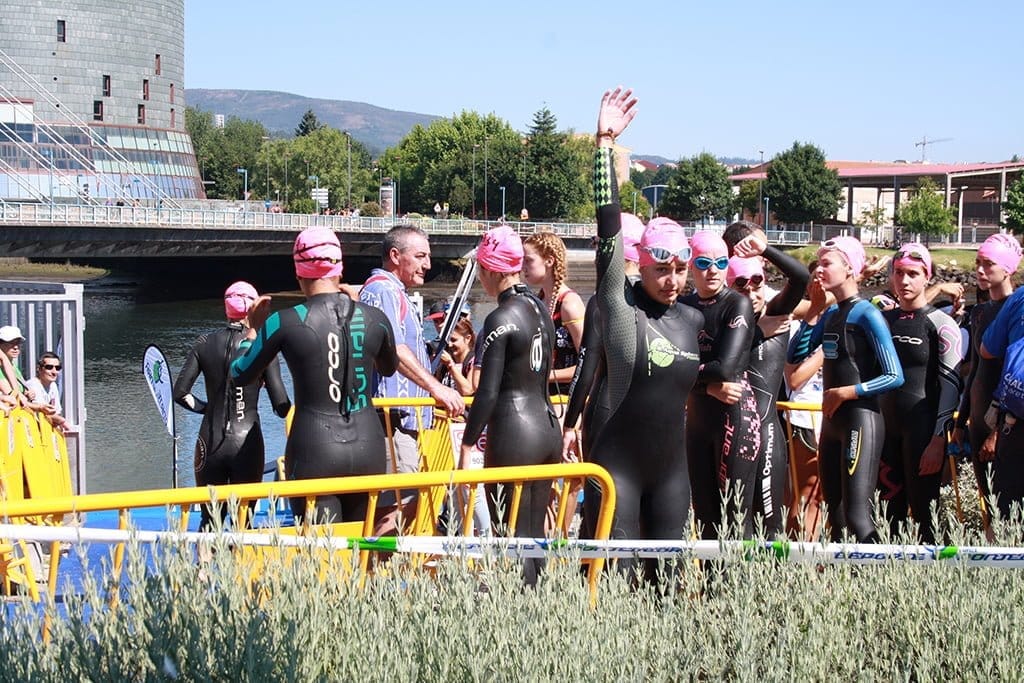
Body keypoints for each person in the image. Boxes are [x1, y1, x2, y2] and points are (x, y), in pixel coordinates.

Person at [585, 87, 703, 584]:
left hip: (672, 472)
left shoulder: (693, 320)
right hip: (619, 467)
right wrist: (604, 144)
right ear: (642, 264)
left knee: (671, 588)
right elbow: (608, 227)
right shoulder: (620, 305)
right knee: (617, 587)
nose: (672, 279)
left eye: (681, 268)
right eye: (661, 267)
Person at [231, 228, 399, 523]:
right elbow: (388, 368)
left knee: (321, 556)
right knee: (360, 553)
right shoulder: (376, 318)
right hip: (368, 446)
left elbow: (240, 374)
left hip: (314, 448)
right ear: (340, 267)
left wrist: (253, 330)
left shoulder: (282, 321)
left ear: (298, 273)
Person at [460, 225, 561, 586]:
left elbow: (487, 392)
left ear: (489, 271)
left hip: (515, 432)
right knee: (535, 535)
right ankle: (540, 612)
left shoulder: (498, 319)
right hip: (548, 428)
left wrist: (468, 442)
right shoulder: (541, 309)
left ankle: (518, 616)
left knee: (509, 533)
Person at [788, 236, 904, 542]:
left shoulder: (867, 314)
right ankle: (843, 585)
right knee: (834, 514)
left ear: (850, 268)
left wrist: (847, 392)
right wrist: (813, 310)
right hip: (833, 424)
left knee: (857, 516)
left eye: (827, 263)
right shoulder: (830, 313)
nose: (818, 271)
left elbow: (894, 375)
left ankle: (876, 583)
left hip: (860, 419)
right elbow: (795, 357)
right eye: (817, 264)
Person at [174, 281, 291, 529]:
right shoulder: (261, 347)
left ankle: (201, 568)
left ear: (226, 309)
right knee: (244, 520)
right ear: (254, 310)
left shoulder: (204, 342)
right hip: (246, 441)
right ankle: (242, 566)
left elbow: (180, 393)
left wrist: (208, 408)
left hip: (209, 440)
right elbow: (281, 405)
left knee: (209, 520)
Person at [360, 225, 465, 474]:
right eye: (420, 256)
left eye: (427, 257)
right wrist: (435, 387)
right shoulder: (383, 290)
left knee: (407, 499)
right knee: (397, 502)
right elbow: (393, 348)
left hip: (405, 418)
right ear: (396, 256)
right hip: (391, 418)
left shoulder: (396, 292)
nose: (427, 264)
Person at [877, 244, 962, 543]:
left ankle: (939, 580)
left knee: (926, 514)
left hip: (923, 431)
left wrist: (939, 440)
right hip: (885, 431)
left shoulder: (941, 323)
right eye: (899, 273)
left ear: (927, 277)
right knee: (887, 516)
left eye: (913, 274)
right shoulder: (883, 320)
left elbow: (951, 386)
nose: (905, 281)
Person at [726, 232, 809, 536]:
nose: (751, 291)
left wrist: (766, 249)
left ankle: (770, 581)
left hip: (766, 431)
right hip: (729, 435)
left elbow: (800, 278)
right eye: (740, 283)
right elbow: (720, 361)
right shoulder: (721, 320)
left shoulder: (777, 311)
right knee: (733, 526)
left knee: (770, 527)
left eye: (757, 282)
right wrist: (758, 331)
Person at [682, 231, 761, 540]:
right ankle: (715, 589)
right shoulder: (684, 306)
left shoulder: (736, 304)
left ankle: (740, 588)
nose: (712, 270)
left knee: (736, 517)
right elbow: (661, 365)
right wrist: (704, 387)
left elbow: (725, 367)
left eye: (720, 262)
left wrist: (689, 377)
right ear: (691, 266)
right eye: (703, 263)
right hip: (700, 416)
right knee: (705, 518)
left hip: (735, 416)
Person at [563, 211, 645, 461]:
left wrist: (569, 425)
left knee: (604, 496)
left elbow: (584, 370)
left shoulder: (603, 302)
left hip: (607, 410)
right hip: (653, 419)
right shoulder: (661, 300)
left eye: (597, 245)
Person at [955, 234, 1020, 517]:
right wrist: (961, 421)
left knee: (1009, 505)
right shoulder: (980, 311)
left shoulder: (1017, 308)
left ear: (1009, 268)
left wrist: (996, 430)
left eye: (989, 264)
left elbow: (1016, 374)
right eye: (978, 262)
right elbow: (975, 369)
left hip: (1003, 423)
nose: (980, 270)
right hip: (978, 419)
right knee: (988, 506)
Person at [522, 231, 586, 394]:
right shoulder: (539, 299)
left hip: (564, 398)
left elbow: (588, 363)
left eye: (528, 261)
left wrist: (546, 375)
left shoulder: (569, 304)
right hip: (541, 394)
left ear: (549, 261)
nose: (523, 267)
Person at [24, 352, 67, 431]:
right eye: (49, 367)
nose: (54, 372)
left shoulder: (53, 385)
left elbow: (56, 412)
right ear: (39, 369)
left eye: (57, 368)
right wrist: (63, 422)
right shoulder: (33, 385)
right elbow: (44, 412)